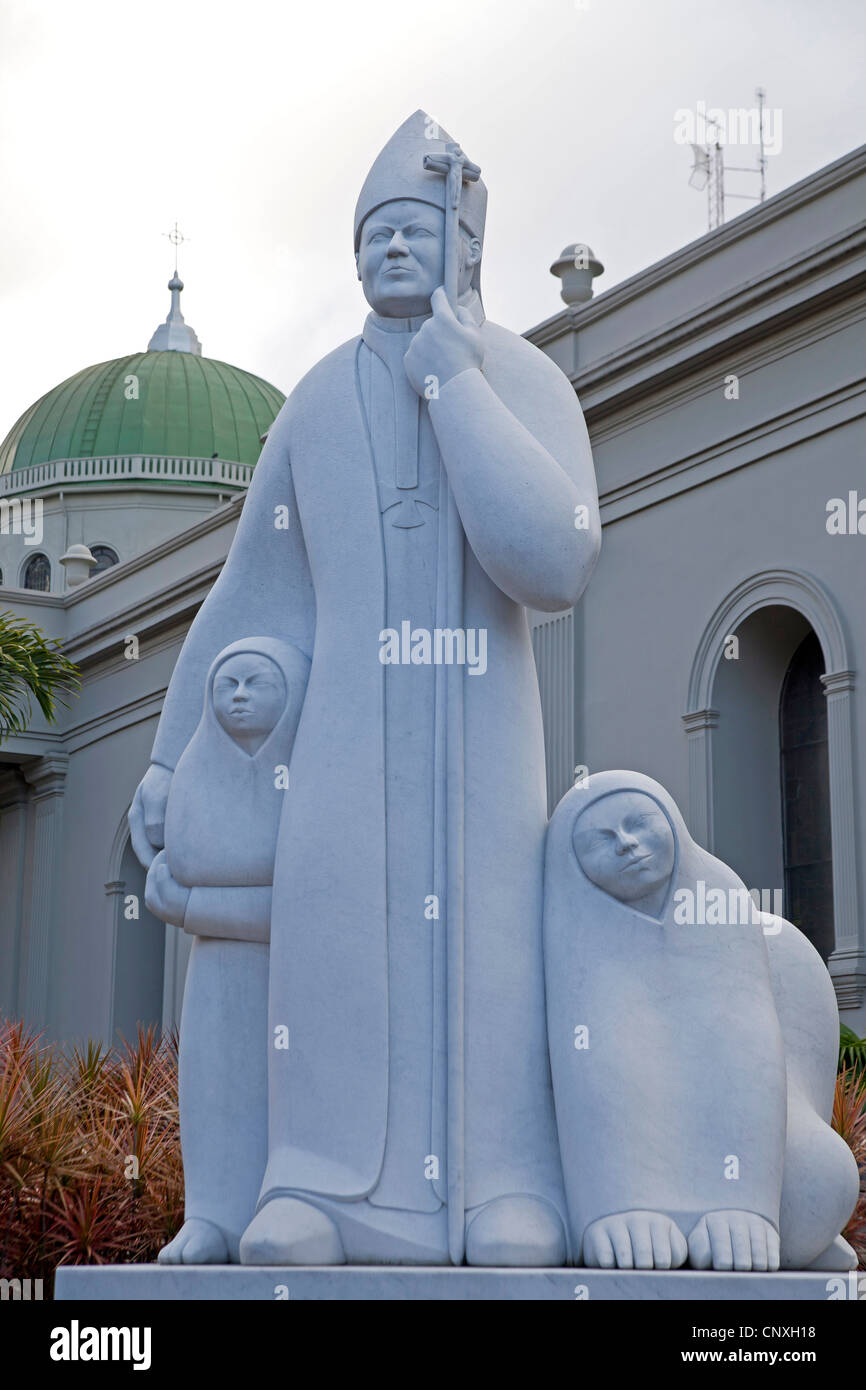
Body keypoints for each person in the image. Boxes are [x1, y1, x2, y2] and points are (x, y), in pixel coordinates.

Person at [131, 111, 601, 1266]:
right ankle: (319, 1187)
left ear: (464, 249)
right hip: (337, 738)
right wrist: (163, 750)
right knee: (331, 949)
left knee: (488, 943)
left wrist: (455, 388)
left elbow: (553, 558)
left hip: (482, 730)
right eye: (374, 233)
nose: (393, 250)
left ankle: (502, 1190)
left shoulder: (523, 379)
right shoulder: (314, 405)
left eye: (415, 231)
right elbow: (250, 597)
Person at [543, 770, 858, 1270]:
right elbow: (599, 1084)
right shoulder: (574, 942)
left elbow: (744, 1064)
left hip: (749, 1166)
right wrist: (617, 1205)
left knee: (819, 1181)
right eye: (602, 839)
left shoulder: (721, 905)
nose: (627, 843)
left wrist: (745, 1203)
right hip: (625, 1183)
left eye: (639, 823)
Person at [141, 638, 309, 1263]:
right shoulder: (197, 776)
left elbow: (305, 902)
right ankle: (209, 1213)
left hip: (300, 977)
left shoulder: (312, 779)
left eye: (253, 683)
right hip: (216, 974)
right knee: (215, 1089)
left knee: (292, 1093)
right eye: (226, 685)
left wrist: (195, 907)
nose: (237, 697)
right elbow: (188, 865)